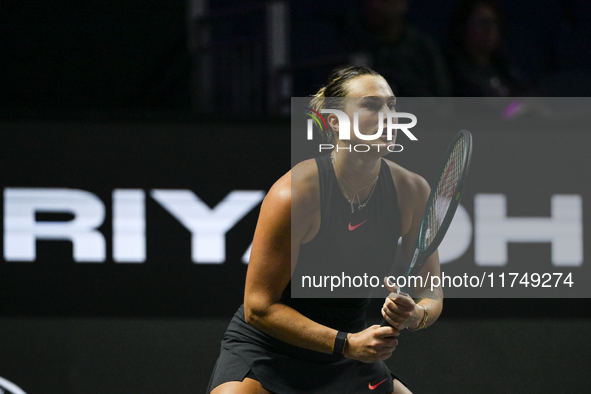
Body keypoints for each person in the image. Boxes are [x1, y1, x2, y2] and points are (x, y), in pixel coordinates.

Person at [207, 66, 443, 394]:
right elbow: (258, 308)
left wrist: (417, 314)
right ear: (334, 122)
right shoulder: (295, 194)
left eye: (392, 105)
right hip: (272, 351)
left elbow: (432, 292)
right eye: (372, 106)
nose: (389, 116)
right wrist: (345, 343)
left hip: (350, 355)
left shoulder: (412, 191)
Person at [445, 0, 533, 96]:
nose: (490, 29)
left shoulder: (503, 67)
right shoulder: (452, 70)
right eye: (482, 23)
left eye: (494, 22)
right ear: (463, 27)